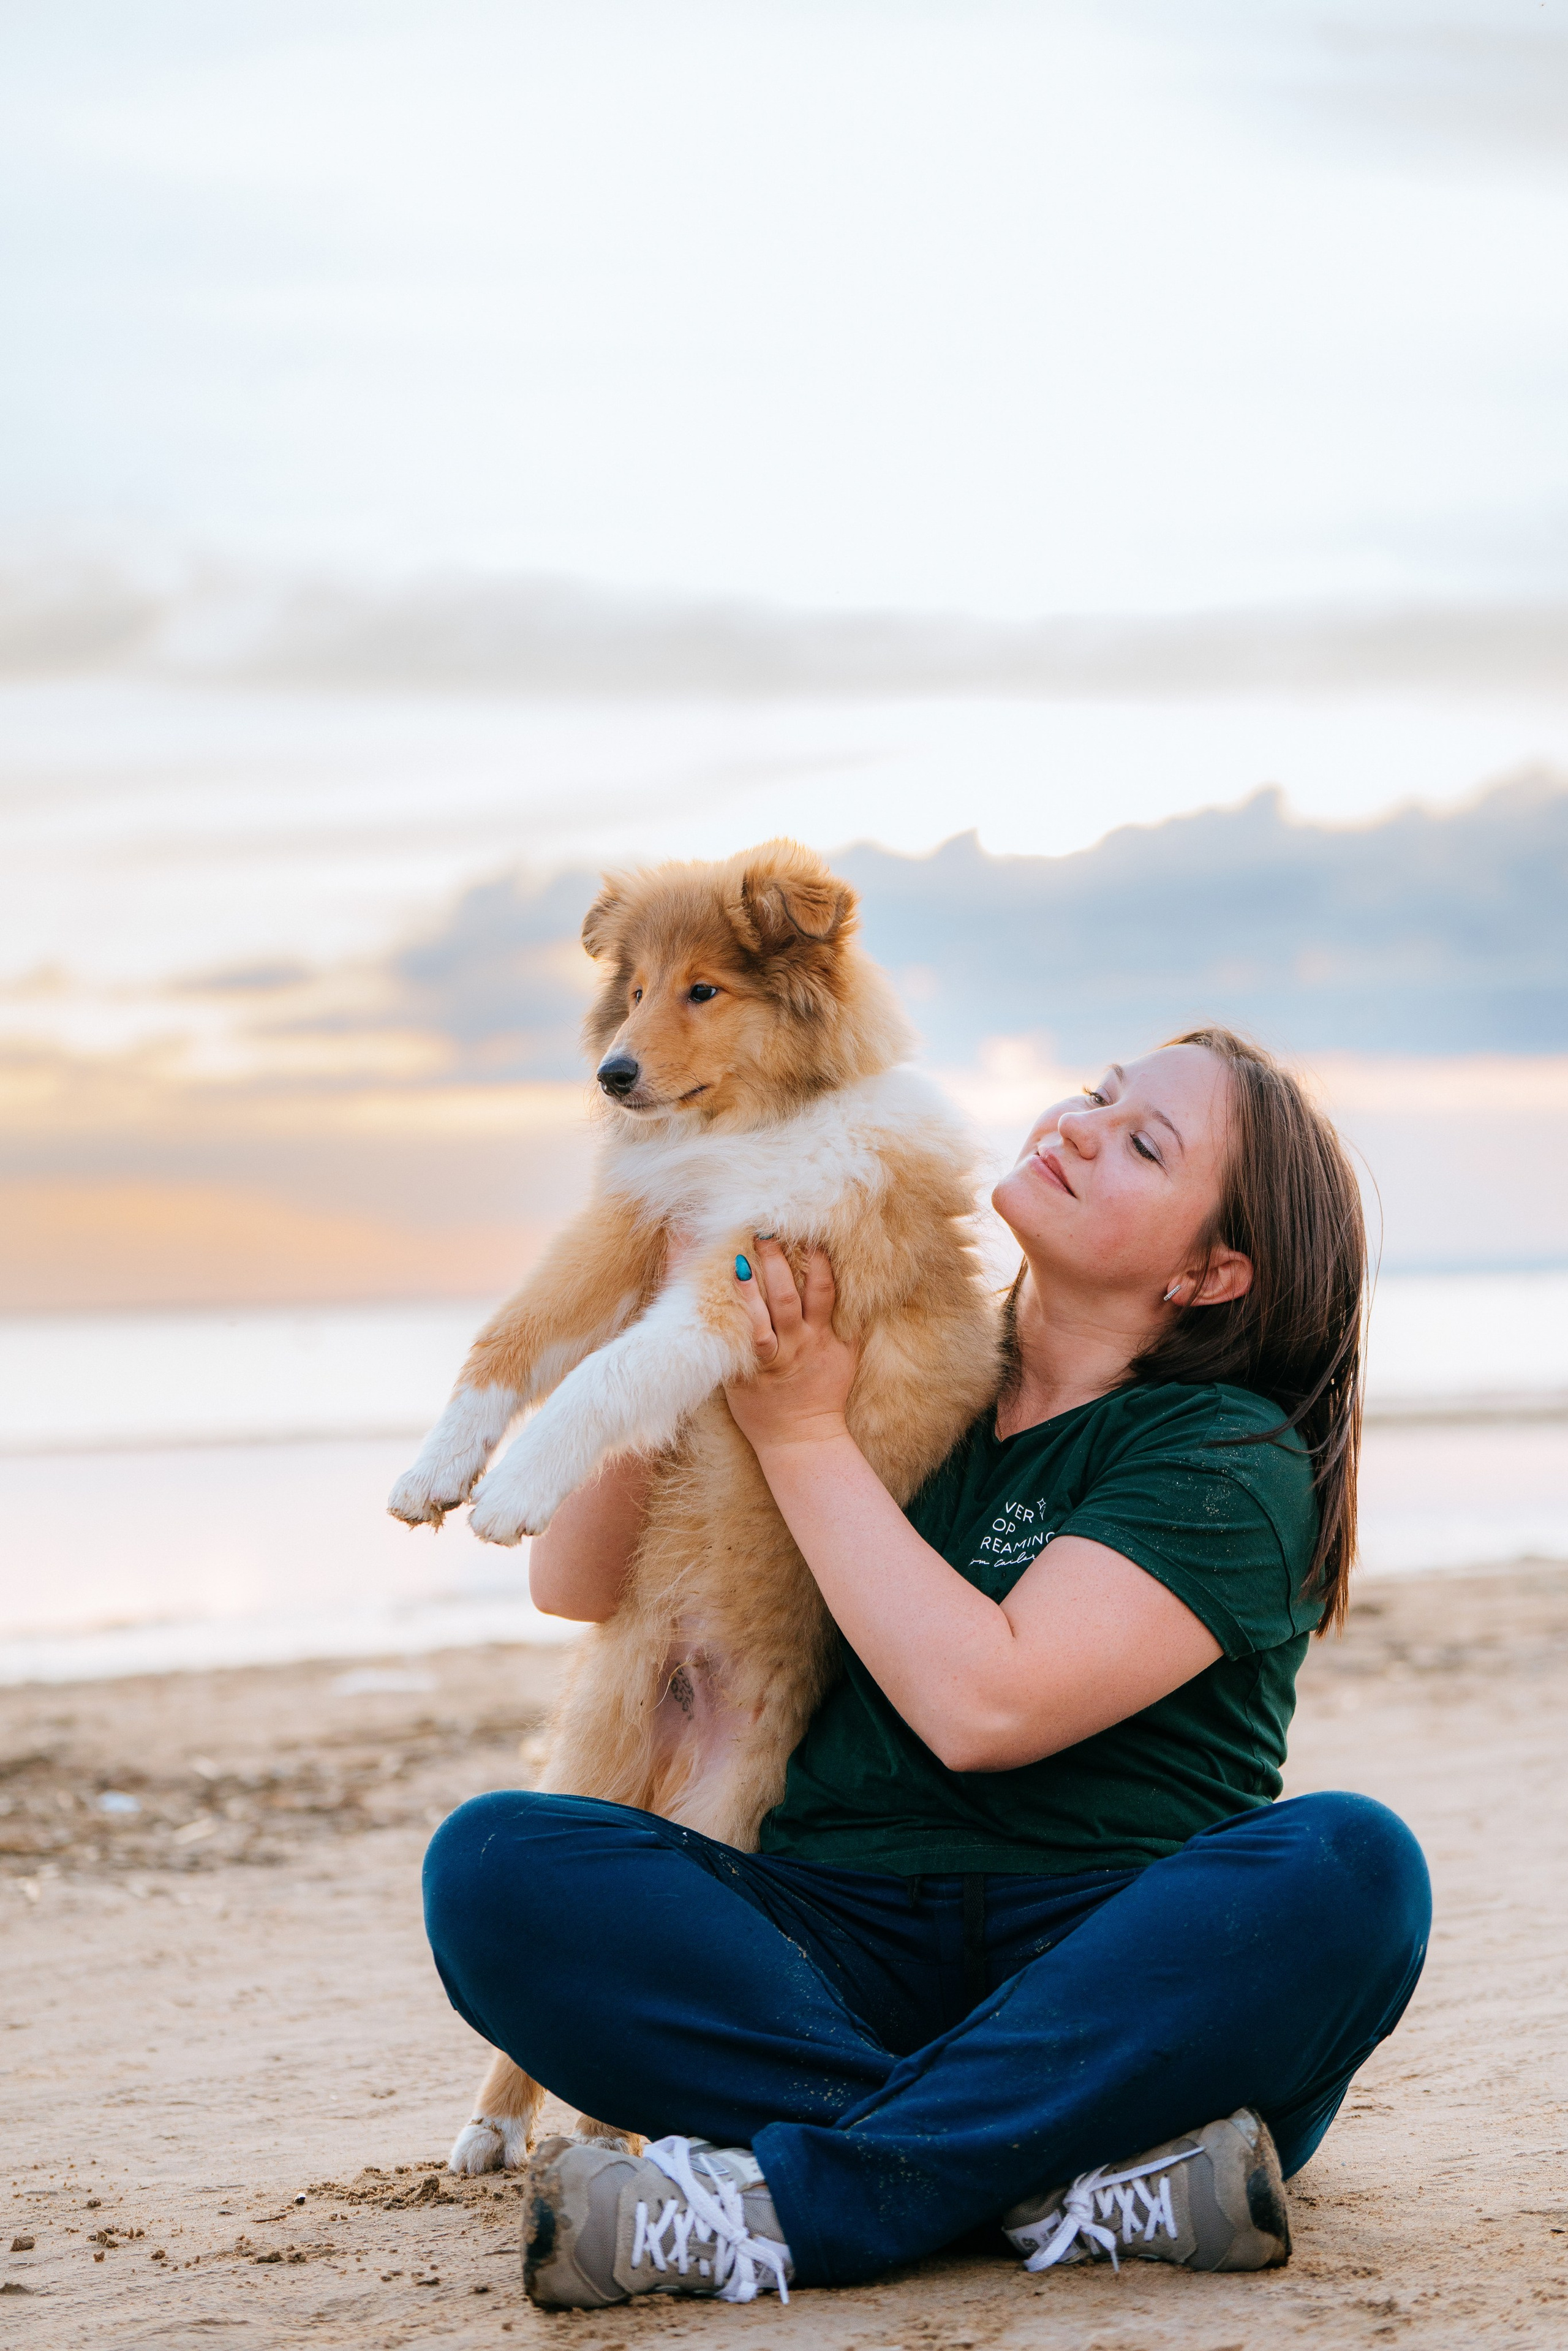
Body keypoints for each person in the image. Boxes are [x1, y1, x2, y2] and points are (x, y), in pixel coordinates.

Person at [424, 1027, 1431, 2308]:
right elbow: (573, 1581)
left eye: (1140, 1143)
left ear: (1208, 1269)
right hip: (823, 1953)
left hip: (1107, 1960)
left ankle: (799, 2199)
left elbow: (981, 1705)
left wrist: (795, 1429)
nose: (1076, 1124)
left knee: (1349, 1869)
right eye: (1095, 1094)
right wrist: (682, 1309)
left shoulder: (1222, 1453)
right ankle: (1049, 2179)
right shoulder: (898, 1362)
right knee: (497, 1862)